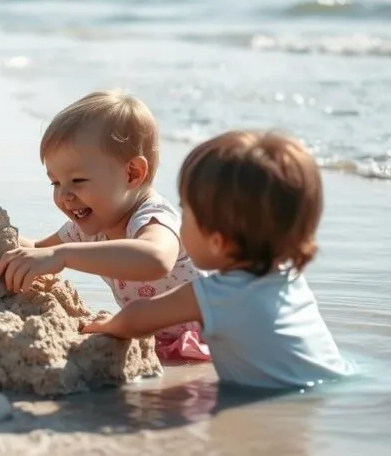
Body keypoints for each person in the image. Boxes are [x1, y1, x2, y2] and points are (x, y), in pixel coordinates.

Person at [0, 90, 209, 361]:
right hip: (159, 342)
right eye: (56, 182)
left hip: (214, 337)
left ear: (132, 173)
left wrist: (62, 256)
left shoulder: (153, 218)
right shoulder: (91, 226)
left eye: (78, 180)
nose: (64, 195)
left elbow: (156, 259)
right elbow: (38, 248)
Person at [82, 131, 353, 388]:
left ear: (216, 240)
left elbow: (137, 318)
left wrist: (106, 326)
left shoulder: (215, 294)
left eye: (185, 212)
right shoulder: (289, 276)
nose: (180, 222)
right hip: (331, 379)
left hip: (280, 397)